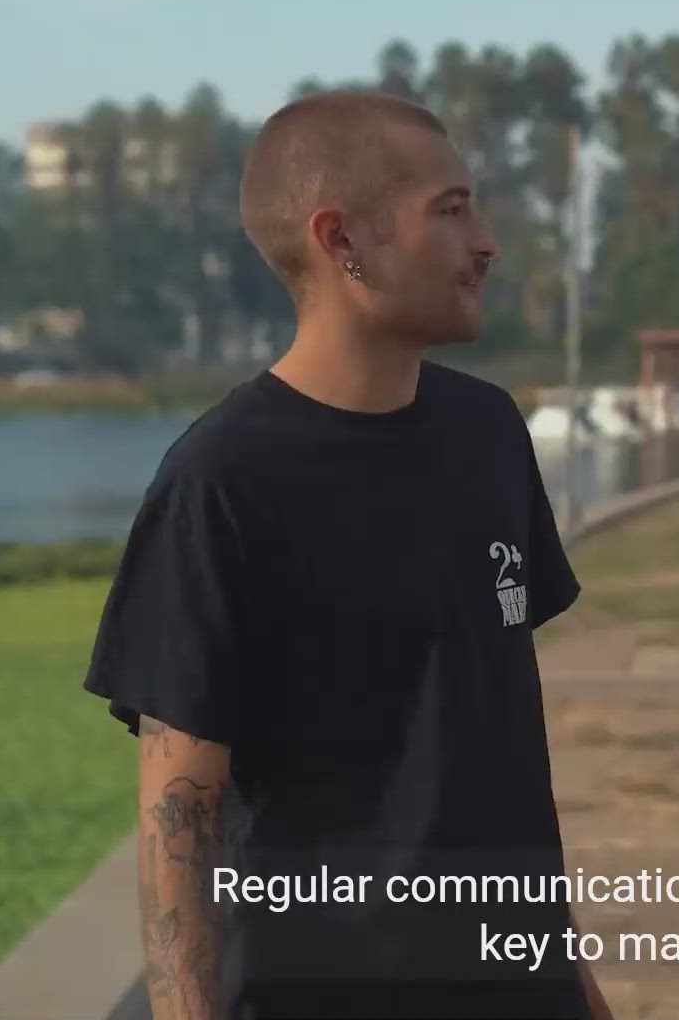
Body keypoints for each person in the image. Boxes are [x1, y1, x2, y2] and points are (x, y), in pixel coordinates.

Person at [84, 90, 615, 1020]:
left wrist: (574, 981)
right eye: (451, 211)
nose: (486, 242)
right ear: (342, 240)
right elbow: (181, 817)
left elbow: (496, 759)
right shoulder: (222, 481)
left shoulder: (489, 434)